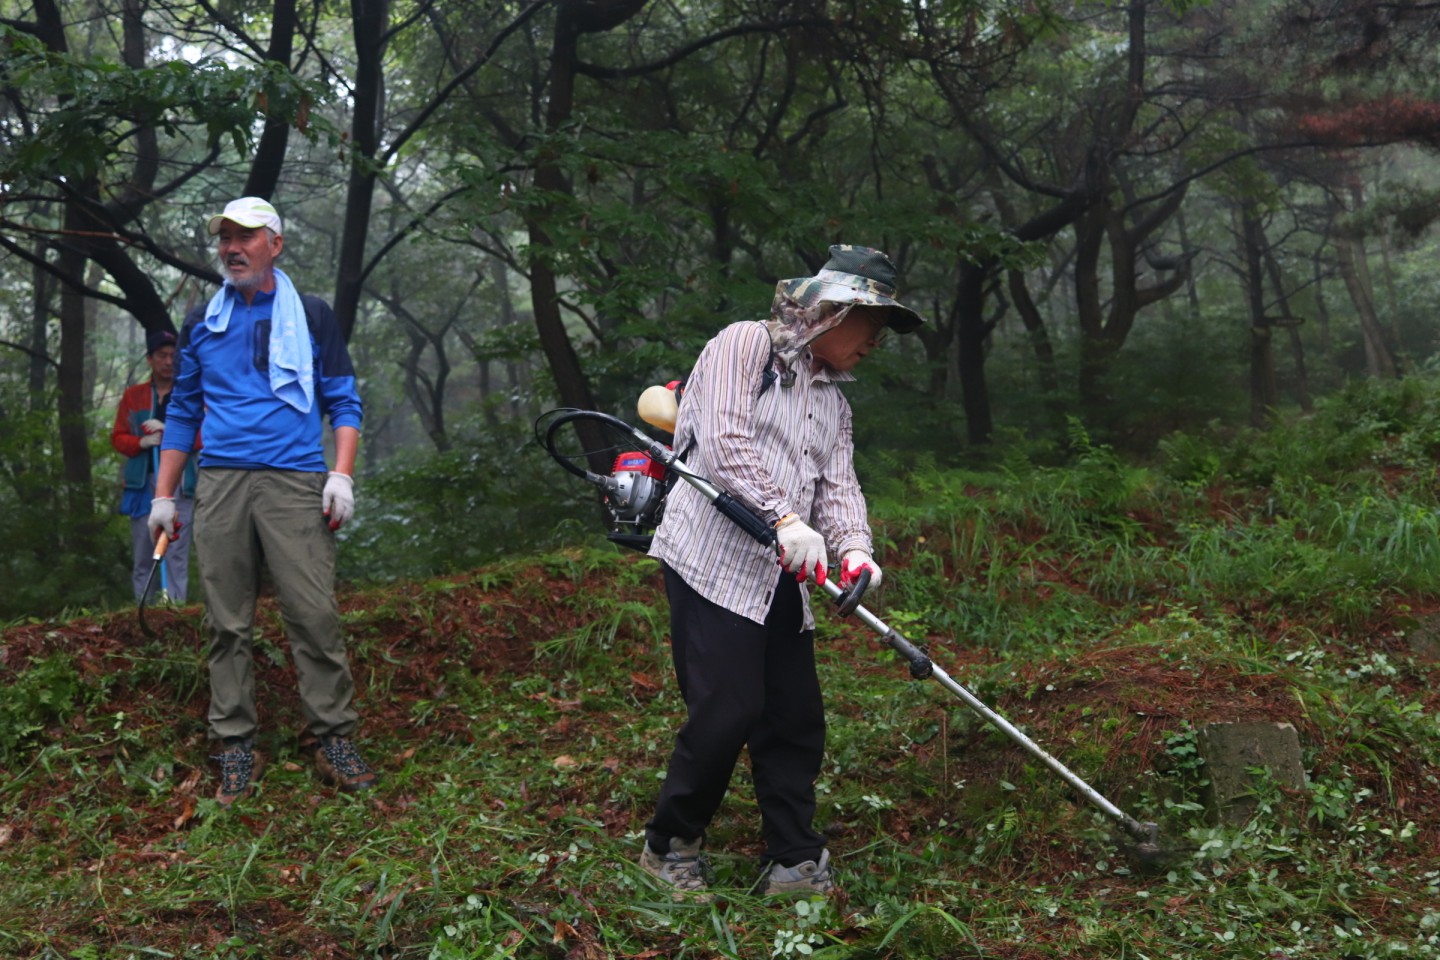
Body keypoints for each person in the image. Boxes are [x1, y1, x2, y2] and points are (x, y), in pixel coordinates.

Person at [640, 244, 925, 898]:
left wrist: (855, 549)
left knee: (794, 716)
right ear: (835, 311)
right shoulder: (745, 345)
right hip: (711, 560)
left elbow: (839, 485)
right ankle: (669, 845)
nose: (874, 344)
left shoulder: (834, 402)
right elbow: (723, 440)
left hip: (781, 576)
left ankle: (794, 858)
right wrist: (784, 517)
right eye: (872, 326)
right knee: (727, 710)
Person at [148, 196, 377, 807]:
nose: (231, 248)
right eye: (225, 238)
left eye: (245, 236)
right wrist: (164, 496)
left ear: (274, 244)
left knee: (313, 613)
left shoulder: (312, 314)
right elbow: (183, 411)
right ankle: (235, 744)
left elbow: (343, 400)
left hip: (295, 480)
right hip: (221, 481)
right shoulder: (202, 321)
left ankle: (332, 738)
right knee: (226, 621)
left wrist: (341, 476)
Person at [111, 329, 197, 603]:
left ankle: (175, 609)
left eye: (173, 355)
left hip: (180, 483)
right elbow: (118, 437)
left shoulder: (189, 393)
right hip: (142, 484)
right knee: (143, 553)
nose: (168, 361)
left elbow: (204, 436)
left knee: (176, 551)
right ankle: (143, 610)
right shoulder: (133, 396)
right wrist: (141, 442)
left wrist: (170, 431)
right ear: (149, 359)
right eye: (162, 355)